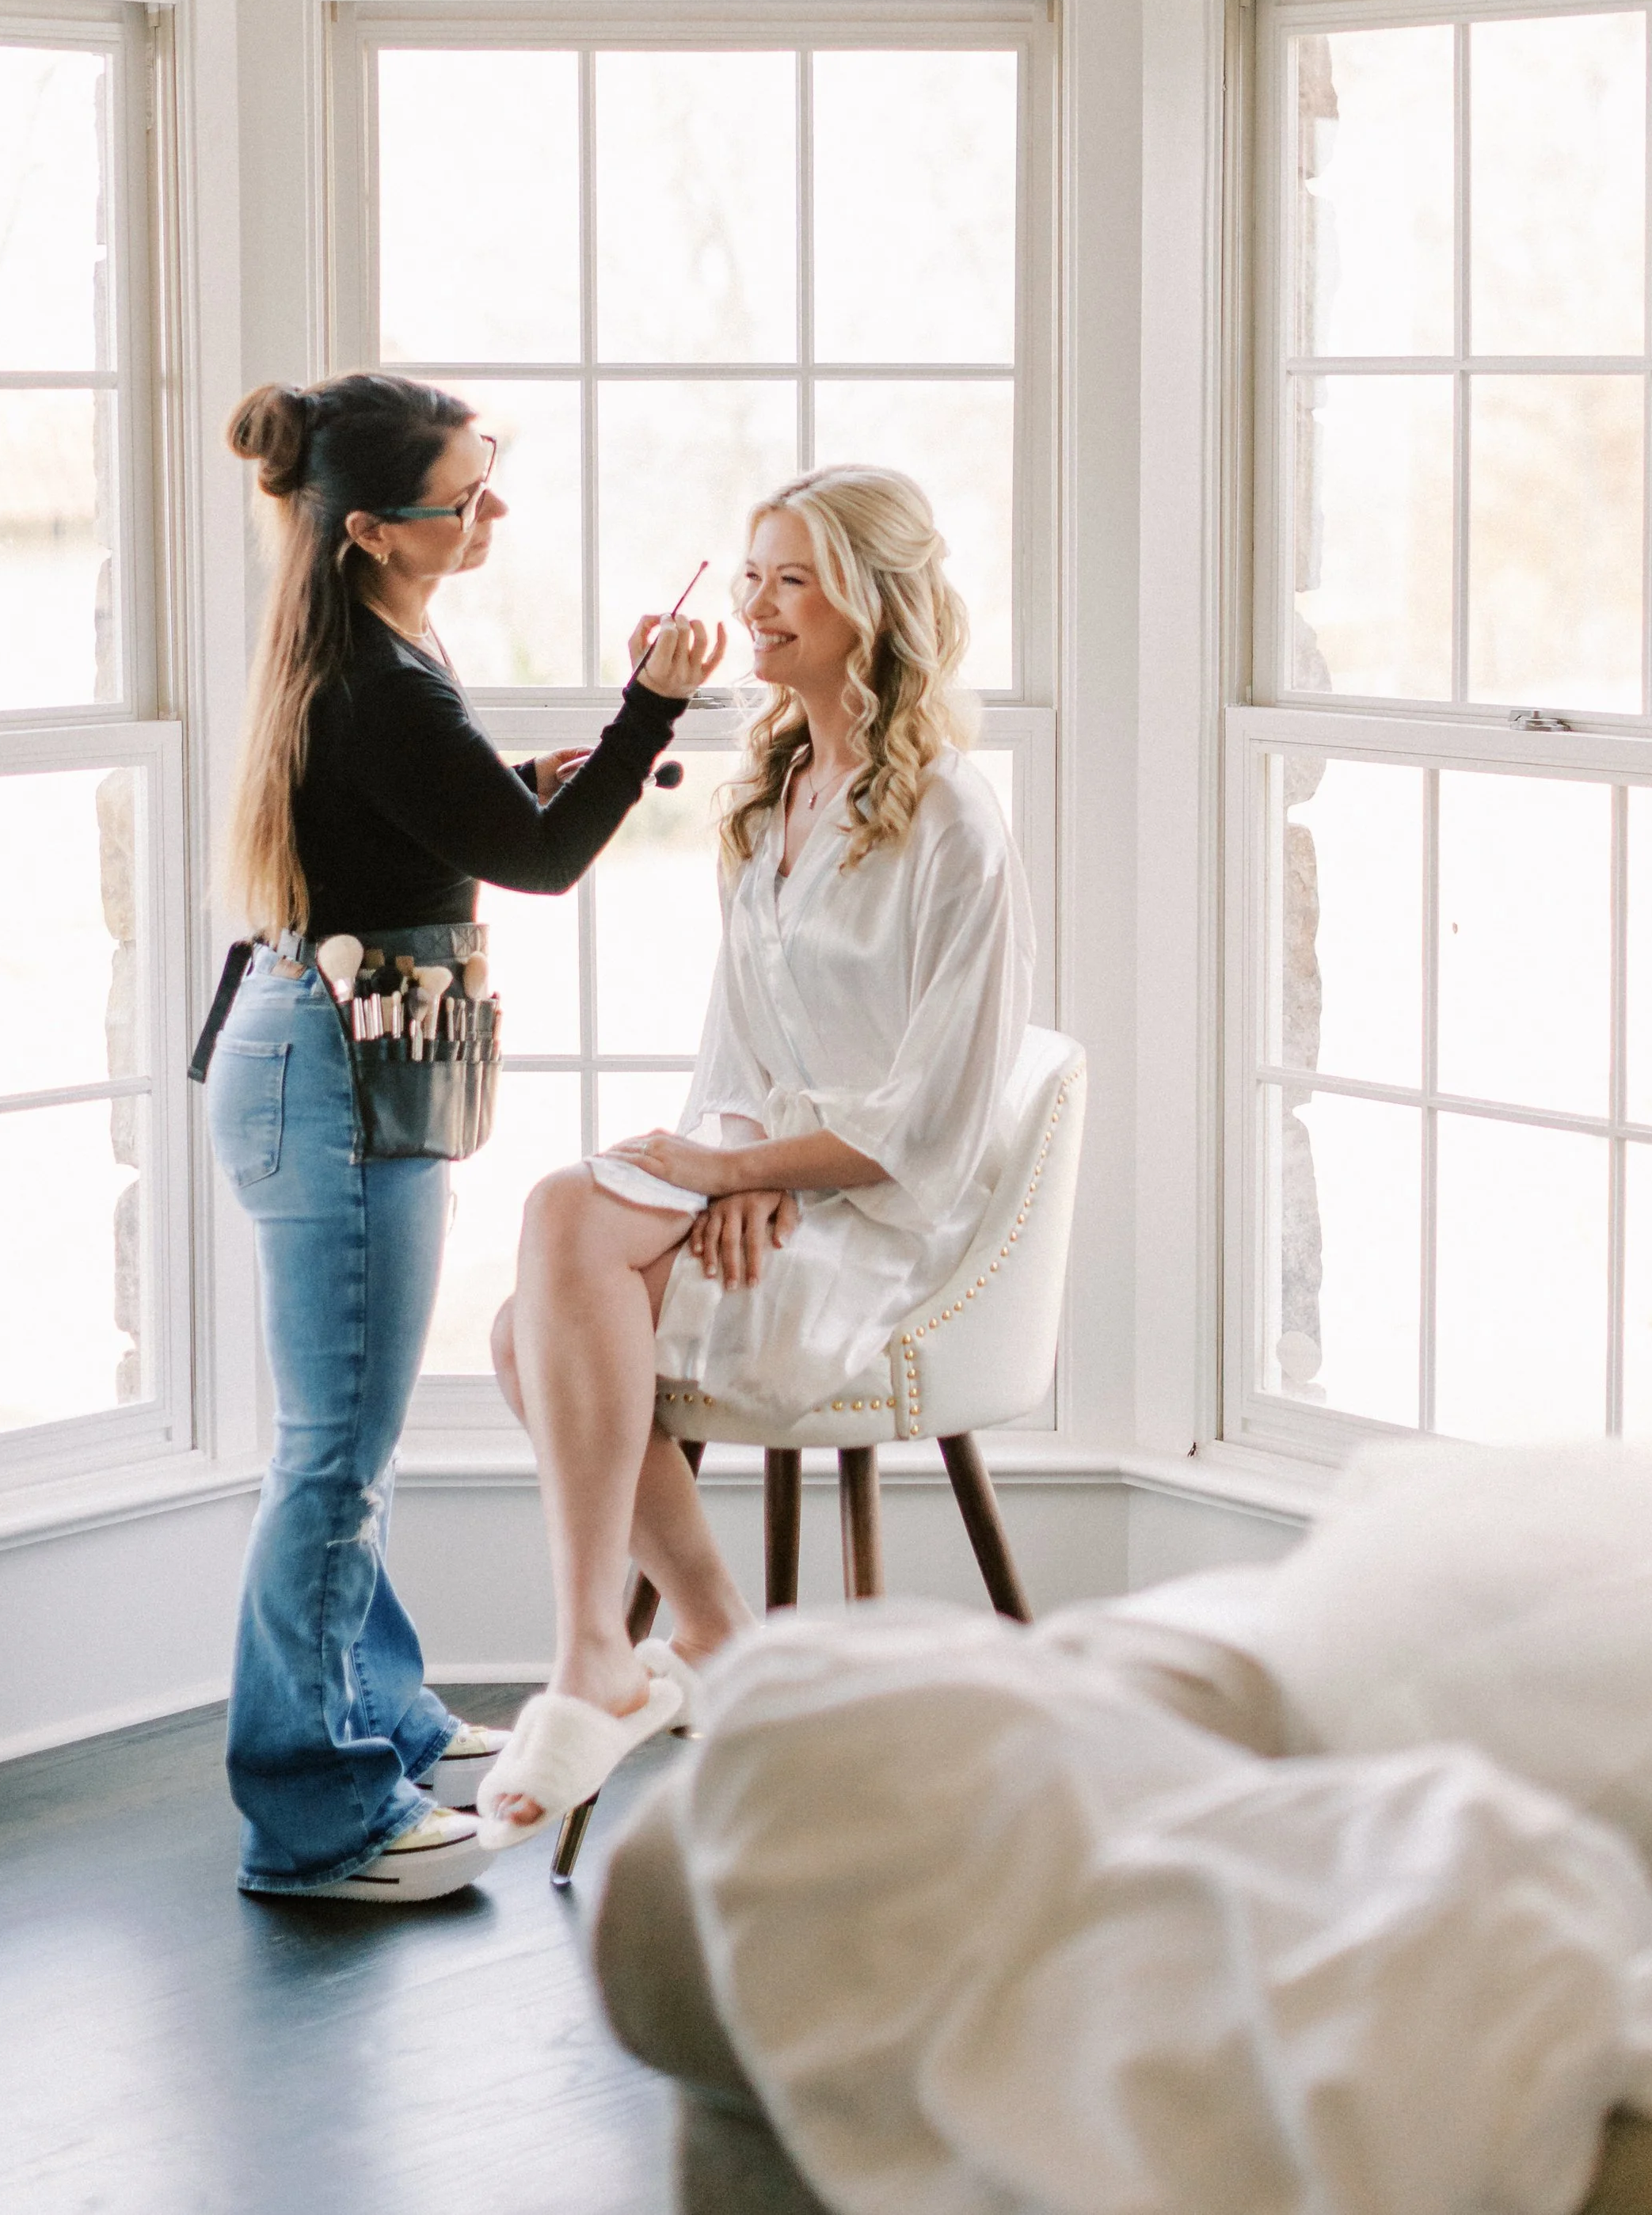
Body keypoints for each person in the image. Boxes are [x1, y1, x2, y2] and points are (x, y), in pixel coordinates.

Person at [204, 371, 722, 1904]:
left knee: (349, 1442)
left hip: (327, 1051)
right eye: (464, 495)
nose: (492, 509)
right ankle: (317, 1816)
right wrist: (649, 712)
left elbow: (441, 824)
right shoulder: (378, 676)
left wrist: (520, 784)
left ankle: (374, 1715)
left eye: (492, 476)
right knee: (334, 1458)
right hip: (339, 1079)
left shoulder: (377, 641)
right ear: (371, 529)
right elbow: (544, 863)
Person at [479, 464, 1034, 1840]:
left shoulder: (955, 822)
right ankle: (671, 1646)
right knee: (545, 1270)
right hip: (778, 1184)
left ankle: (635, 1653)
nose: (755, 604)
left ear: (872, 604)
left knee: (536, 1291)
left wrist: (745, 1176)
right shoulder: (773, 791)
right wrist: (729, 1164)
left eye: (791, 578)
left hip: (890, 1232)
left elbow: (933, 1120)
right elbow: (740, 1063)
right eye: (751, 573)